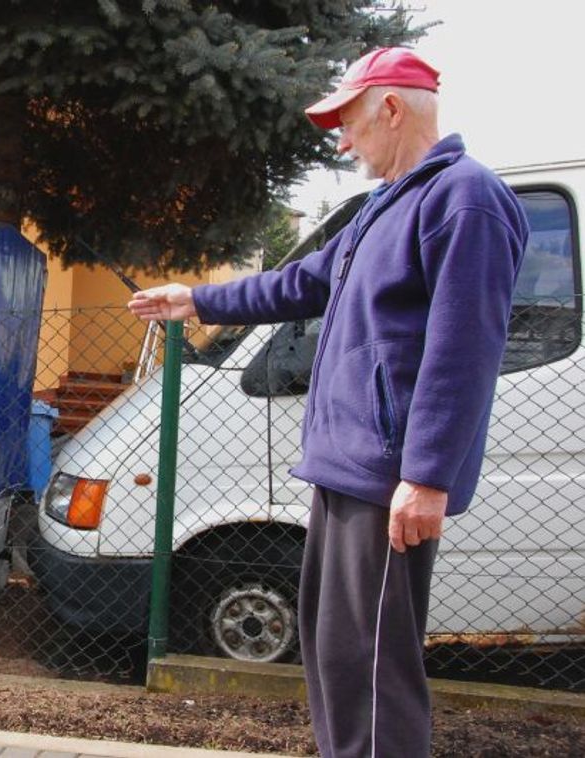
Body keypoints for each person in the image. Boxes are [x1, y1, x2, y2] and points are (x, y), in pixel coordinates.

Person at [127, 47, 529, 757]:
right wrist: (195, 299)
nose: (340, 142)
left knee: (373, 669)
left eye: (347, 123)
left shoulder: (463, 199)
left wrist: (427, 475)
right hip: (348, 470)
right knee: (339, 657)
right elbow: (300, 282)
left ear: (392, 108)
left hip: (389, 480)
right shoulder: (387, 206)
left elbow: (464, 349)